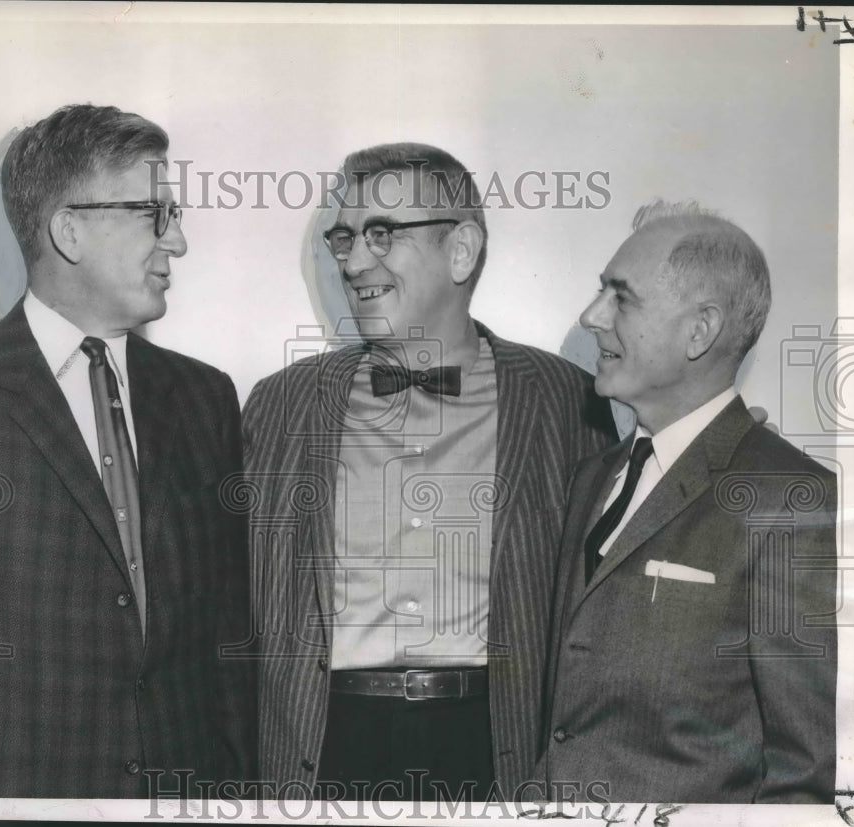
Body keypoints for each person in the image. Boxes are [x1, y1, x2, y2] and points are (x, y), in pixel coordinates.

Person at [0, 104, 255, 798]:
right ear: (69, 230)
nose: (176, 242)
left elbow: (229, 644)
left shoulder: (206, 396)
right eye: (156, 214)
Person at [240, 142, 616, 802]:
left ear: (462, 250)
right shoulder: (279, 403)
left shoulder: (567, 400)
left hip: (494, 748)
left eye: (381, 233)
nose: (354, 261)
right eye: (343, 238)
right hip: (324, 748)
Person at [535, 201, 837, 803]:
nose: (590, 316)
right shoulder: (590, 478)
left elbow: (804, 774)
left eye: (621, 297)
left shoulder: (787, 501)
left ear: (700, 331)